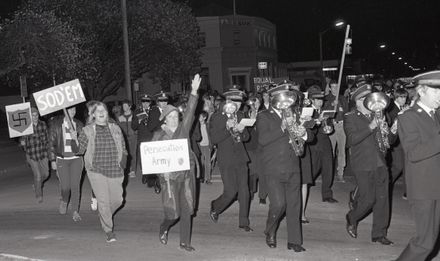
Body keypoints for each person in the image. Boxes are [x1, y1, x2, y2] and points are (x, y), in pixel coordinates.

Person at [257, 82, 313, 252]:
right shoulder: (264, 116)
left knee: (294, 205)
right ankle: (270, 230)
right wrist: (282, 127)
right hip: (273, 167)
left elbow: (310, 137)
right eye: (282, 98)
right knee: (279, 204)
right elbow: (262, 140)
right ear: (274, 99)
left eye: (288, 98)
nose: (286, 101)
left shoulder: (294, 114)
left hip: (293, 165)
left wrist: (302, 132)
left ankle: (294, 241)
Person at [396, 71, 440, 261]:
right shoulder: (408, 117)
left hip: (436, 185)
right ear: (421, 91)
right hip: (424, 188)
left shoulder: (436, 114)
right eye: (436, 92)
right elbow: (413, 154)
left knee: (430, 240)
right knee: (425, 242)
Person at [154, 74, 201, 252]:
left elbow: (190, 111)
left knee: (188, 208)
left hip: (186, 175)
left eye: (176, 116)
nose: (174, 119)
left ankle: (184, 242)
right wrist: (161, 173)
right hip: (169, 178)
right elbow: (154, 160)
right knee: (173, 212)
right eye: (170, 117)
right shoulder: (158, 136)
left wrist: (194, 92)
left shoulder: (183, 129)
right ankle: (164, 227)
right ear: (165, 119)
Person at [344, 79, 393, 245]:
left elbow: (390, 142)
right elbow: (351, 140)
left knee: (382, 199)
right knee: (368, 199)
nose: (369, 103)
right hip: (363, 163)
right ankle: (352, 217)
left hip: (380, 162)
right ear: (357, 102)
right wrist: (371, 127)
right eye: (364, 100)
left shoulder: (379, 114)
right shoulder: (350, 117)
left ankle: (379, 233)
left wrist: (390, 131)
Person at [76, 101, 127, 243]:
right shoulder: (87, 130)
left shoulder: (115, 128)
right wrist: (75, 140)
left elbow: (123, 147)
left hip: (115, 169)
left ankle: (104, 214)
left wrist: (124, 160)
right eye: (97, 110)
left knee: (118, 200)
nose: (101, 112)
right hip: (96, 170)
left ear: (107, 112)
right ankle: (108, 230)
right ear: (92, 115)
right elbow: (79, 151)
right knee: (103, 201)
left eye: (103, 109)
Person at [209, 85, 252, 232]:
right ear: (227, 101)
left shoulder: (240, 115)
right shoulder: (217, 117)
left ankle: (244, 222)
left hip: (241, 157)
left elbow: (247, 137)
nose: (238, 105)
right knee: (231, 191)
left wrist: (242, 131)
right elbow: (214, 139)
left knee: (245, 191)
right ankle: (216, 206)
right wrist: (228, 129)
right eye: (235, 102)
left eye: (240, 102)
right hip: (226, 159)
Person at [48, 107, 84, 222]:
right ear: (65, 111)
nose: (73, 112)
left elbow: (84, 142)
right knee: (65, 187)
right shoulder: (56, 124)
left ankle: (75, 211)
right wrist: (52, 160)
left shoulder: (79, 124)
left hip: (76, 159)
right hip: (62, 159)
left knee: (75, 186)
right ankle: (64, 200)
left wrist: (76, 137)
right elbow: (50, 143)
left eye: (74, 109)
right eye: (70, 109)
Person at [308, 85, 338, 203]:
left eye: (321, 100)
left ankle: (327, 194)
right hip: (313, 144)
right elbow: (307, 126)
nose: (321, 102)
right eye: (318, 100)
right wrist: (317, 121)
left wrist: (329, 126)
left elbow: (330, 124)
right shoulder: (307, 111)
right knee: (313, 168)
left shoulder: (325, 110)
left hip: (325, 142)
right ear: (312, 100)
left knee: (328, 168)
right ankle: (305, 184)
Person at [132, 94, 160, 193]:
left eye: (147, 101)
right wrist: (139, 120)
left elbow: (158, 124)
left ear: (150, 102)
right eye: (143, 101)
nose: (145, 103)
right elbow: (133, 126)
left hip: (153, 139)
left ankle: (156, 181)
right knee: (143, 160)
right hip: (143, 139)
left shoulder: (154, 111)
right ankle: (145, 173)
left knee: (154, 161)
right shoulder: (137, 112)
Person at [20, 107, 49, 203]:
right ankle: (38, 195)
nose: (35, 117)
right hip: (32, 154)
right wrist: (22, 143)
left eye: (36, 115)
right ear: (30, 116)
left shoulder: (43, 124)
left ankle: (37, 184)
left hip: (43, 153)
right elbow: (22, 141)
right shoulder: (26, 127)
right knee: (38, 176)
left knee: (46, 174)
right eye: (32, 115)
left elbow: (47, 139)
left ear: (38, 115)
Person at [324, 80, 348, 181]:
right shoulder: (326, 99)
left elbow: (347, 112)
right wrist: (332, 105)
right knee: (331, 151)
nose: (335, 89)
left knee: (342, 150)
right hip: (331, 126)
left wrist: (340, 106)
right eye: (333, 87)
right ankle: (329, 173)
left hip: (342, 126)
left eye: (336, 86)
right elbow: (324, 113)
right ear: (329, 88)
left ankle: (340, 172)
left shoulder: (343, 98)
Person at [387, 88, 409, 199]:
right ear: (396, 97)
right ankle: (385, 184)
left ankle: (407, 192)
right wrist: (402, 114)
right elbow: (390, 123)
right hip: (395, 141)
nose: (404, 99)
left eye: (405, 97)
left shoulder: (403, 107)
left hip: (404, 141)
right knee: (398, 166)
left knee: (406, 167)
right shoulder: (392, 109)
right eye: (402, 97)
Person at [117, 100, 137, 178]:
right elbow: (118, 129)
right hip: (124, 138)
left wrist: (136, 133)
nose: (124, 107)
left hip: (133, 137)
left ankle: (133, 171)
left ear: (130, 106)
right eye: (123, 106)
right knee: (125, 154)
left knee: (133, 154)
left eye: (126, 106)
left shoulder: (134, 116)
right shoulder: (120, 117)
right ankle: (127, 169)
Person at [197, 111, 212, 184]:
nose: (199, 118)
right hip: (200, 146)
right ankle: (201, 177)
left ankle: (208, 179)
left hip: (207, 146)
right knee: (201, 162)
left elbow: (211, 136)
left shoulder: (208, 125)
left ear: (204, 118)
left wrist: (212, 145)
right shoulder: (197, 126)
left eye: (200, 116)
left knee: (208, 163)